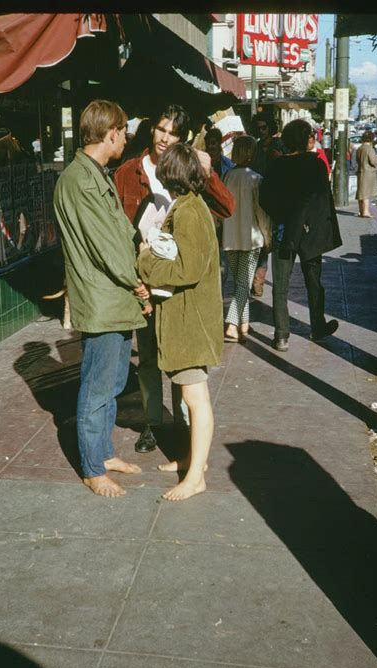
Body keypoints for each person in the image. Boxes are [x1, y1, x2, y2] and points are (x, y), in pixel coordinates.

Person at [114, 104, 235, 454]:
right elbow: (119, 227)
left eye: (173, 133)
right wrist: (135, 278)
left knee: (183, 359)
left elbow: (227, 207)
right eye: (161, 130)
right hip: (146, 279)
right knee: (148, 357)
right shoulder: (129, 171)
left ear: (182, 139)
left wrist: (206, 171)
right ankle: (153, 423)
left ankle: (185, 429)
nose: (165, 138)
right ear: (152, 130)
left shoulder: (188, 173)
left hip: (178, 285)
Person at [53, 99, 151, 498]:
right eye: (124, 131)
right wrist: (137, 281)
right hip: (104, 297)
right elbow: (106, 245)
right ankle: (93, 468)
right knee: (97, 386)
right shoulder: (80, 180)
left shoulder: (94, 174)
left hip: (114, 298)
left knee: (111, 381)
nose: (126, 138)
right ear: (111, 132)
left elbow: (118, 232)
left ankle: (103, 453)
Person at [137, 143, 223, 501]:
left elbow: (187, 269)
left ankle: (196, 477)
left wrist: (146, 263)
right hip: (190, 318)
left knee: (194, 396)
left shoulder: (188, 211)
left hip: (192, 322)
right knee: (191, 397)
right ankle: (192, 459)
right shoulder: (189, 206)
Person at [259, 118, 342, 352]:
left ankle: (281, 335)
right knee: (314, 282)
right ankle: (317, 326)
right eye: (309, 136)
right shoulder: (315, 165)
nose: (311, 139)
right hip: (309, 232)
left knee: (281, 286)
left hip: (284, 232)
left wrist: (282, 216)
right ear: (304, 139)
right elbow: (321, 201)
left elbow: (264, 197)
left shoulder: (277, 166)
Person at [221, 135, 272, 342]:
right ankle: (232, 325)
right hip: (251, 238)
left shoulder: (226, 177)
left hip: (230, 237)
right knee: (243, 284)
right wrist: (268, 237)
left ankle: (244, 324)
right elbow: (261, 213)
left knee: (239, 282)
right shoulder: (255, 179)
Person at [250, 114, 286, 298]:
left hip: (275, 198)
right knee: (261, 239)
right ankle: (257, 279)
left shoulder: (278, 145)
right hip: (257, 197)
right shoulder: (255, 147)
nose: (261, 131)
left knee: (270, 240)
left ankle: (259, 279)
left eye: (264, 127)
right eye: (258, 128)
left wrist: (279, 158)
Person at [355, 131, 377, 218]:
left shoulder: (360, 148)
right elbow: (372, 161)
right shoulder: (369, 149)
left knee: (361, 192)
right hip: (368, 173)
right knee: (366, 194)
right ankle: (366, 212)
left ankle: (361, 211)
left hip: (360, 171)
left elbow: (357, 160)